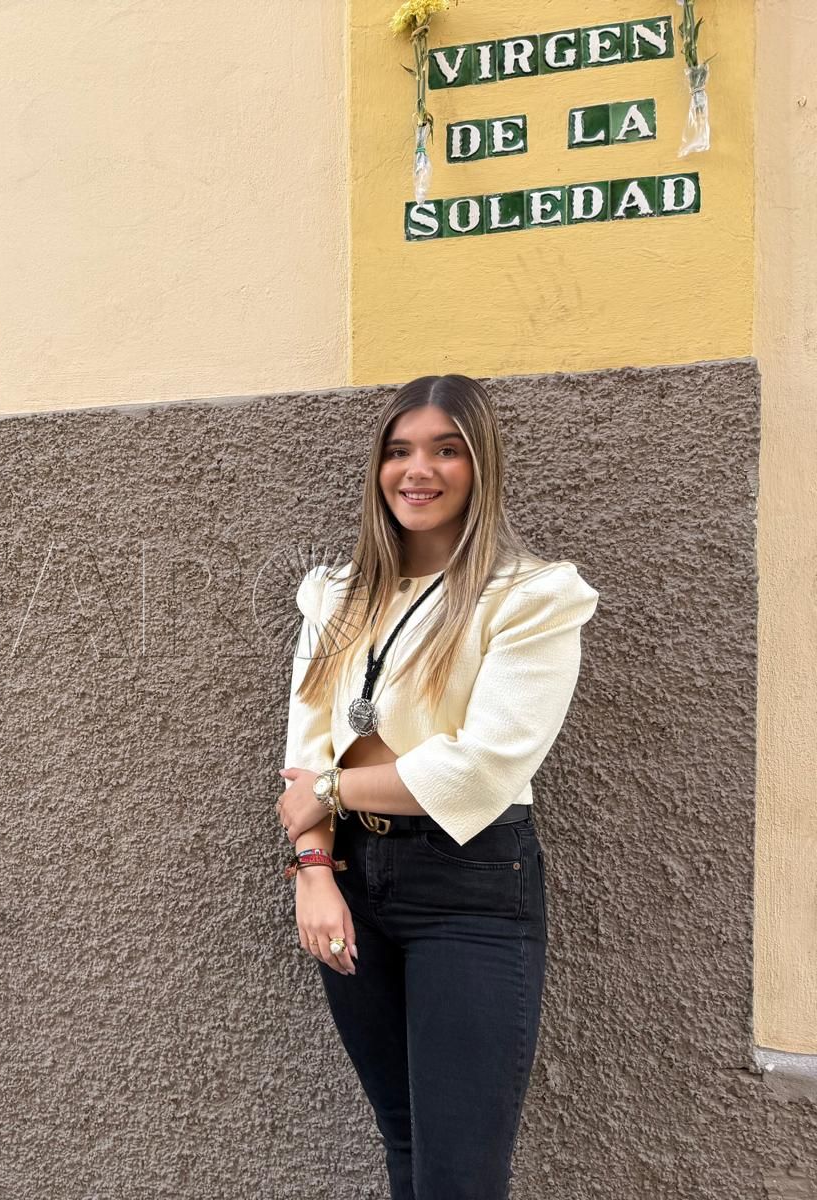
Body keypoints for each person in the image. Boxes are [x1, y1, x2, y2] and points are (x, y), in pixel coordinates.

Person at [275, 374, 599, 1200]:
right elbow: (303, 756)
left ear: (480, 464)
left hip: (471, 885)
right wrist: (313, 871)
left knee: (460, 1173)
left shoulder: (526, 597)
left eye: (446, 449)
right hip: (350, 884)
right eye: (399, 450)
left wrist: (337, 796)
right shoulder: (338, 597)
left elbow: (486, 765)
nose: (418, 470)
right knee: (407, 1142)